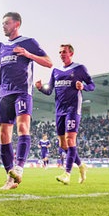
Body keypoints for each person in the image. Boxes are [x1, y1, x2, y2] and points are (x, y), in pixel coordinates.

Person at [0, 12, 53, 190]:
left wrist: (27, 54)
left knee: (23, 127)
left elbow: (48, 62)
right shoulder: (1, 47)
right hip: (4, 94)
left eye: (6, 23)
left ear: (16, 24)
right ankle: (10, 178)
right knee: (3, 135)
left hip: (22, 91)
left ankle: (19, 167)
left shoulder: (28, 42)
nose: (3, 26)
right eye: (2, 23)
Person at [35, 44, 95, 185]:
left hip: (73, 109)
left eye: (64, 52)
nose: (61, 54)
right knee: (63, 144)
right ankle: (81, 165)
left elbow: (92, 85)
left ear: (71, 53)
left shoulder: (80, 68)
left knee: (70, 139)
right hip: (59, 110)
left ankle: (67, 174)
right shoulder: (56, 71)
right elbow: (49, 90)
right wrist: (40, 88)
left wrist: (84, 87)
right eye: (60, 52)